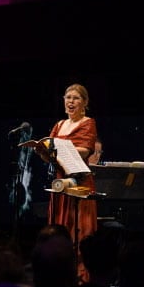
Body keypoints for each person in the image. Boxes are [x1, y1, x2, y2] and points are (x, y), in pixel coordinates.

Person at [36, 83, 102, 250]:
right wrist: (42, 152)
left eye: (76, 98)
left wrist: (56, 149)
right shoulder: (59, 125)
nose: (71, 101)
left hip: (78, 183)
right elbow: (51, 155)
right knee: (58, 229)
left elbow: (84, 151)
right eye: (68, 98)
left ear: (85, 102)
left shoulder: (88, 123)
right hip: (60, 181)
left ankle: (80, 268)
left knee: (78, 228)